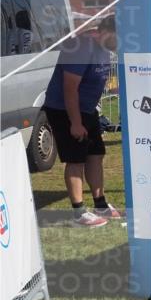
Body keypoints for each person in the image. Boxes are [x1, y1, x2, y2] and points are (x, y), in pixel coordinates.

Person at [41, 16, 121, 227]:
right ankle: (79, 212)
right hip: (64, 109)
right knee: (76, 159)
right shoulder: (81, 46)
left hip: (87, 109)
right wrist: (75, 123)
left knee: (96, 154)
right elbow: (70, 89)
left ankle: (100, 204)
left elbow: (98, 81)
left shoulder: (104, 48)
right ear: (108, 31)